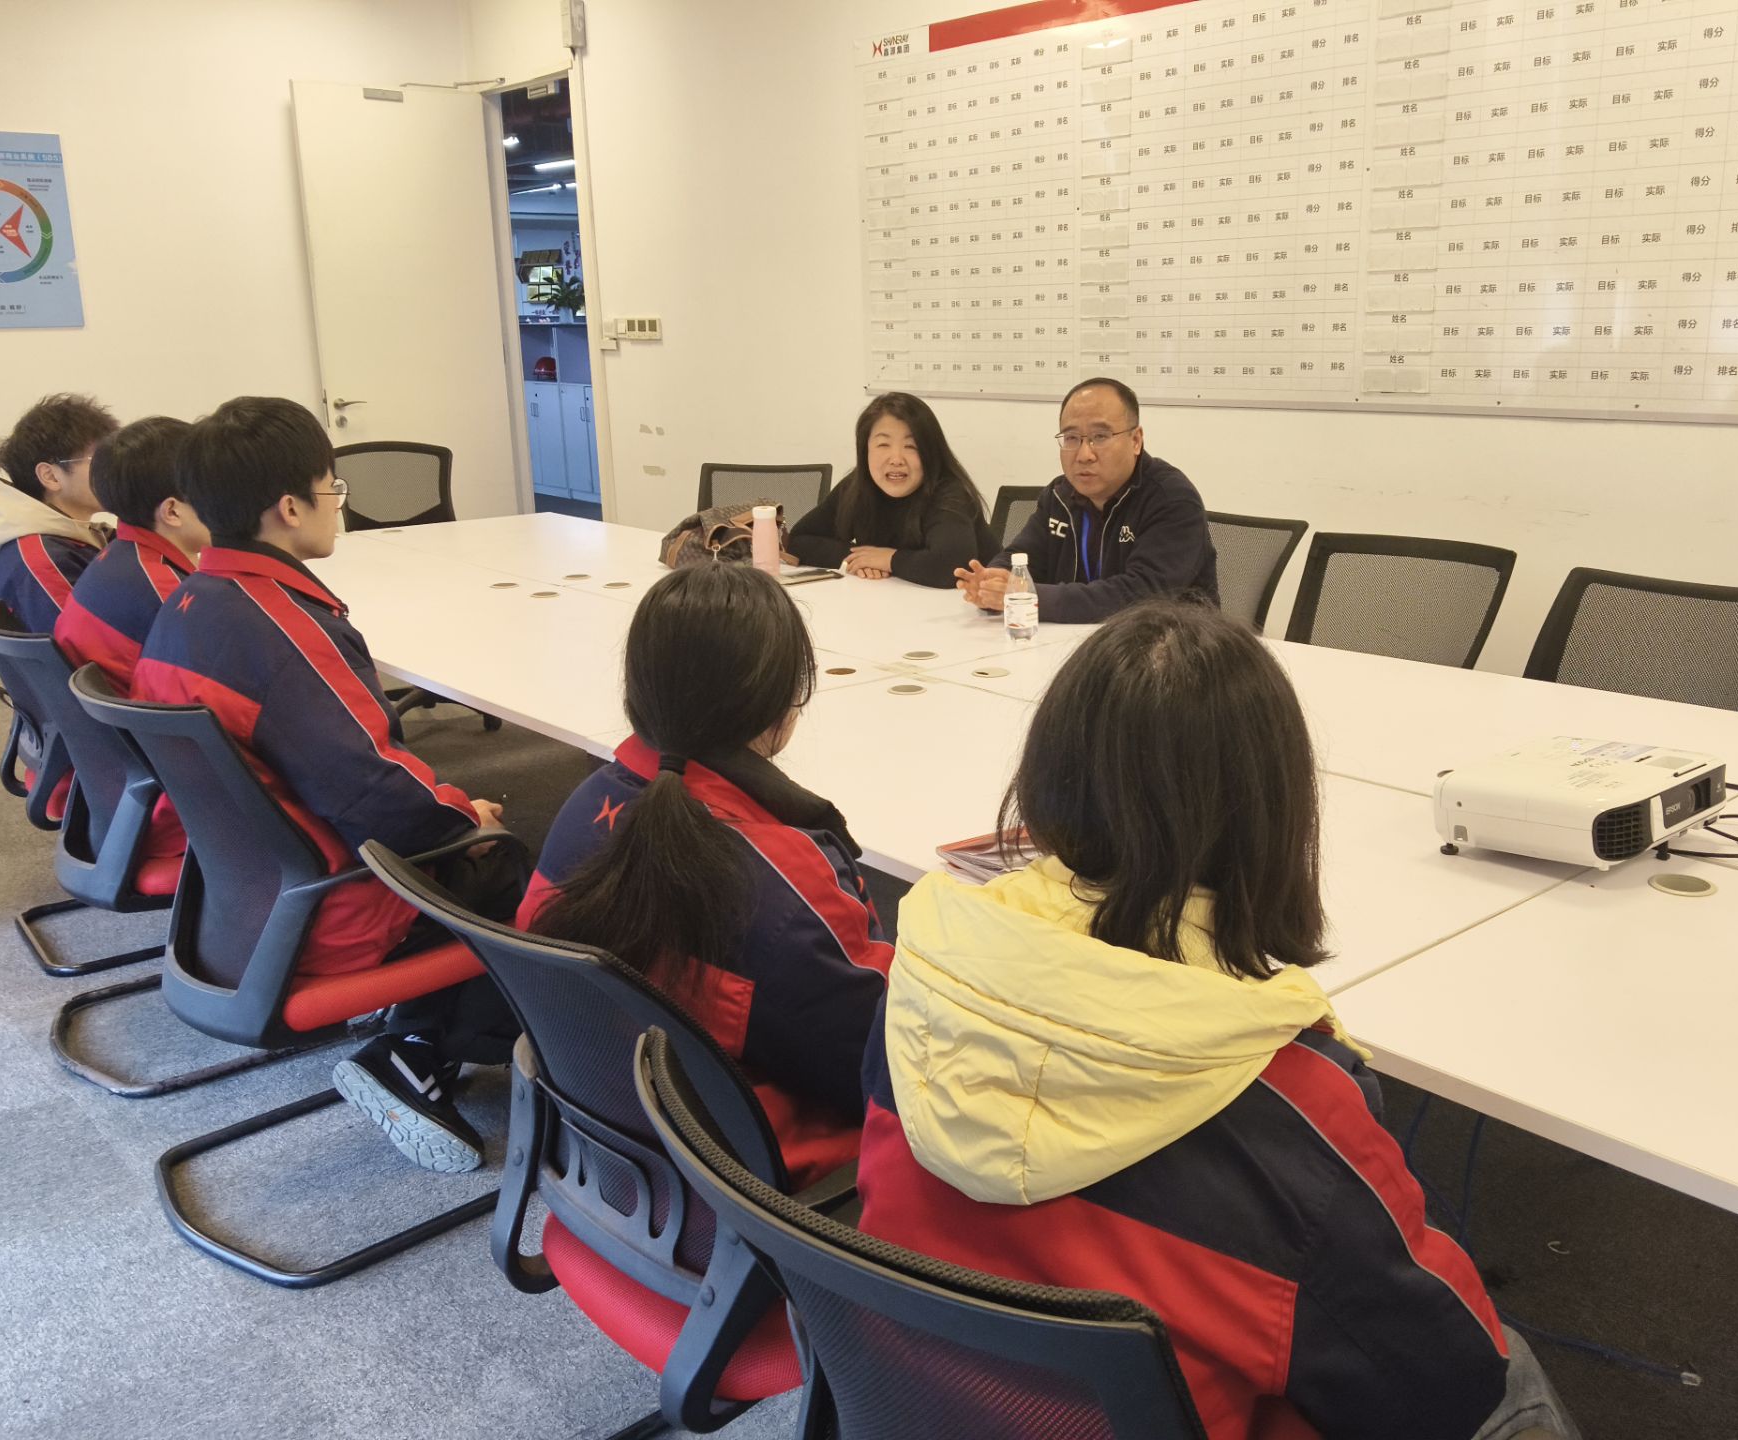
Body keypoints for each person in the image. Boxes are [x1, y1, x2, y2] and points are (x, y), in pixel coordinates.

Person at [855, 600, 1580, 1440]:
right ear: (1272, 818)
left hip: (922, 1397)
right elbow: (1445, 1385)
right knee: (1507, 1373)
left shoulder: (922, 979)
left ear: (1048, 782)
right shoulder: (1296, 1118)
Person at [134, 396, 518, 1174]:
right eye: (332, 489)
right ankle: (415, 1054)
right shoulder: (281, 629)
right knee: (514, 862)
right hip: (327, 908)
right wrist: (464, 816)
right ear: (288, 507)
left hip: (236, 902)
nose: (336, 505)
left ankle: (417, 1031)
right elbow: (378, 797)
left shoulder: (186, 604)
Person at [523, 563, 892, 1186]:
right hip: (747, 1177)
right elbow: (884, 1068)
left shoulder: (583, 805)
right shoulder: (785, 886)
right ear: (781, 705)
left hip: (615, 1141)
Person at [54, 417, 207, 864]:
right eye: (214, 489)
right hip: (180, 810)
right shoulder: (170, 595)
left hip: (121, 789)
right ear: (173, 511)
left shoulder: (115, 558)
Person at [954, 377, 1216, 622]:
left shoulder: (1172, 499)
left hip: (1170, 645)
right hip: (1070, 641)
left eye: (1099, 437)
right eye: (1071, 438)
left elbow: (1141, 597)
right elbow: (1019, 559)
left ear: (1136, 440)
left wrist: (1030, 597)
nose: (1084, 455)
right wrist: (992, 585)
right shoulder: (1060, 496)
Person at [786, 392, 992, 586]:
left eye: (911, 446)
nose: (896, 459)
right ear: (865, 449)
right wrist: (861, 558)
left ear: (931, 453)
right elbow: (799, 540)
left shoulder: (949, 492)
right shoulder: (857, 485)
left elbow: (952, 566)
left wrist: (889, 560)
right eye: (883, 445)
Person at [0, 393, 117, 633]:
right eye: (100, 460)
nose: (116, 472)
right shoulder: (43, 561)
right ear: (50, 476)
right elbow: (87, 645)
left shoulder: (55, 539)